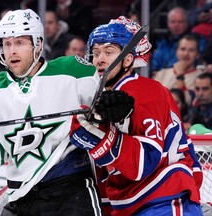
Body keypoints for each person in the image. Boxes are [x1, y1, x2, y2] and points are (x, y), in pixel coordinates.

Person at [0, 9, 102, 215]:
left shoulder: (75, 72)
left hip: (71, 189)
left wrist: (108, 110)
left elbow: (108, 114)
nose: (11, 51)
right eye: (7, 44)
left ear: (37, 44)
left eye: (19, 43)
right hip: (22, 197)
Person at [70, 16, 203, 215]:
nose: (100, 59)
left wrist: (102, 137)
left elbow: (145, 162)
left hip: (164, 200)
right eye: (96, 53)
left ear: (129, 59)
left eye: (108, 52)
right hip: (132, 205)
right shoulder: (100, 98)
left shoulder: (145, 90)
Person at [150, 7, 206, 75]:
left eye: (180, 22)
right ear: (168, 24)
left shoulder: (197, 40)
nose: (176, 25)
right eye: (173, 22)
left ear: (186, 23)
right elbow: (155, 61)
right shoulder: (163, 41)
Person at [153, 34, 203, 105]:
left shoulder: (201, 77)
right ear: (176, 52)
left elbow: (188, 102)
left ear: (197, 54)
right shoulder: (162, 73)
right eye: (183, 49)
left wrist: (180, 76)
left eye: (191, 50)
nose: (186, 54)